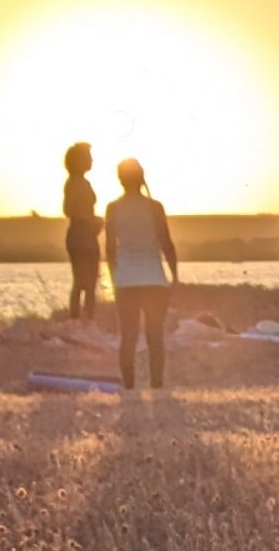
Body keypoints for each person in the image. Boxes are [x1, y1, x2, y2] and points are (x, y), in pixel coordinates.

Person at [103, 158, 180, 395]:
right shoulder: (154, 206)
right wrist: (175, 275)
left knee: (128, 336)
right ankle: (156, 385)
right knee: (155, 336)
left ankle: (129, 387)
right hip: (154, 278)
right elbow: (166, 243)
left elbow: (109, 248)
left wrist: (114, 276)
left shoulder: (113, 208)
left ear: (120, 179)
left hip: (126, 278)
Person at [63, 143, 99, 321]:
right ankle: (77, 321)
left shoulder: (83, 182)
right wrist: (91, 222)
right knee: (82, 283)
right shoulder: (74, 182)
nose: (92, 160)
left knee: (89, 284)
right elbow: (69, 209)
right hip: (80, 237)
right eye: (88, 156)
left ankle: (85, 321)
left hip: (87, 236)